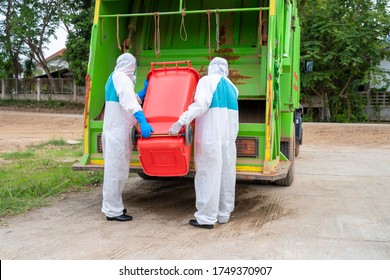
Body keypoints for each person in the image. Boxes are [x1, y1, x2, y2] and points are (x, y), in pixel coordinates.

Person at [168, 57, 239, 229]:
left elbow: (201, 104)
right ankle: (223, 214)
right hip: (228, 140)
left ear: (211, 68)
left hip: (210, 136)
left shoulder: (207, 81)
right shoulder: (233, 87)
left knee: (208, 175)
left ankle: (206, 218)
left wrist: (181, 121)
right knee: (226, 174)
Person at [102, 53, 153, 222]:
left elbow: (126, 99)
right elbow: (129, 103)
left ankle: (114, 206)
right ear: (130, 65)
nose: (135, 69)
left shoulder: (114, 77)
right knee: (115, 173)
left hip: (116, 132)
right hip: (117, 134)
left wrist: (143, 93)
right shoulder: (122, 77)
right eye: (134, 65)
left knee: (118, 172)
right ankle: (112, 211)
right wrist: (143, 120)